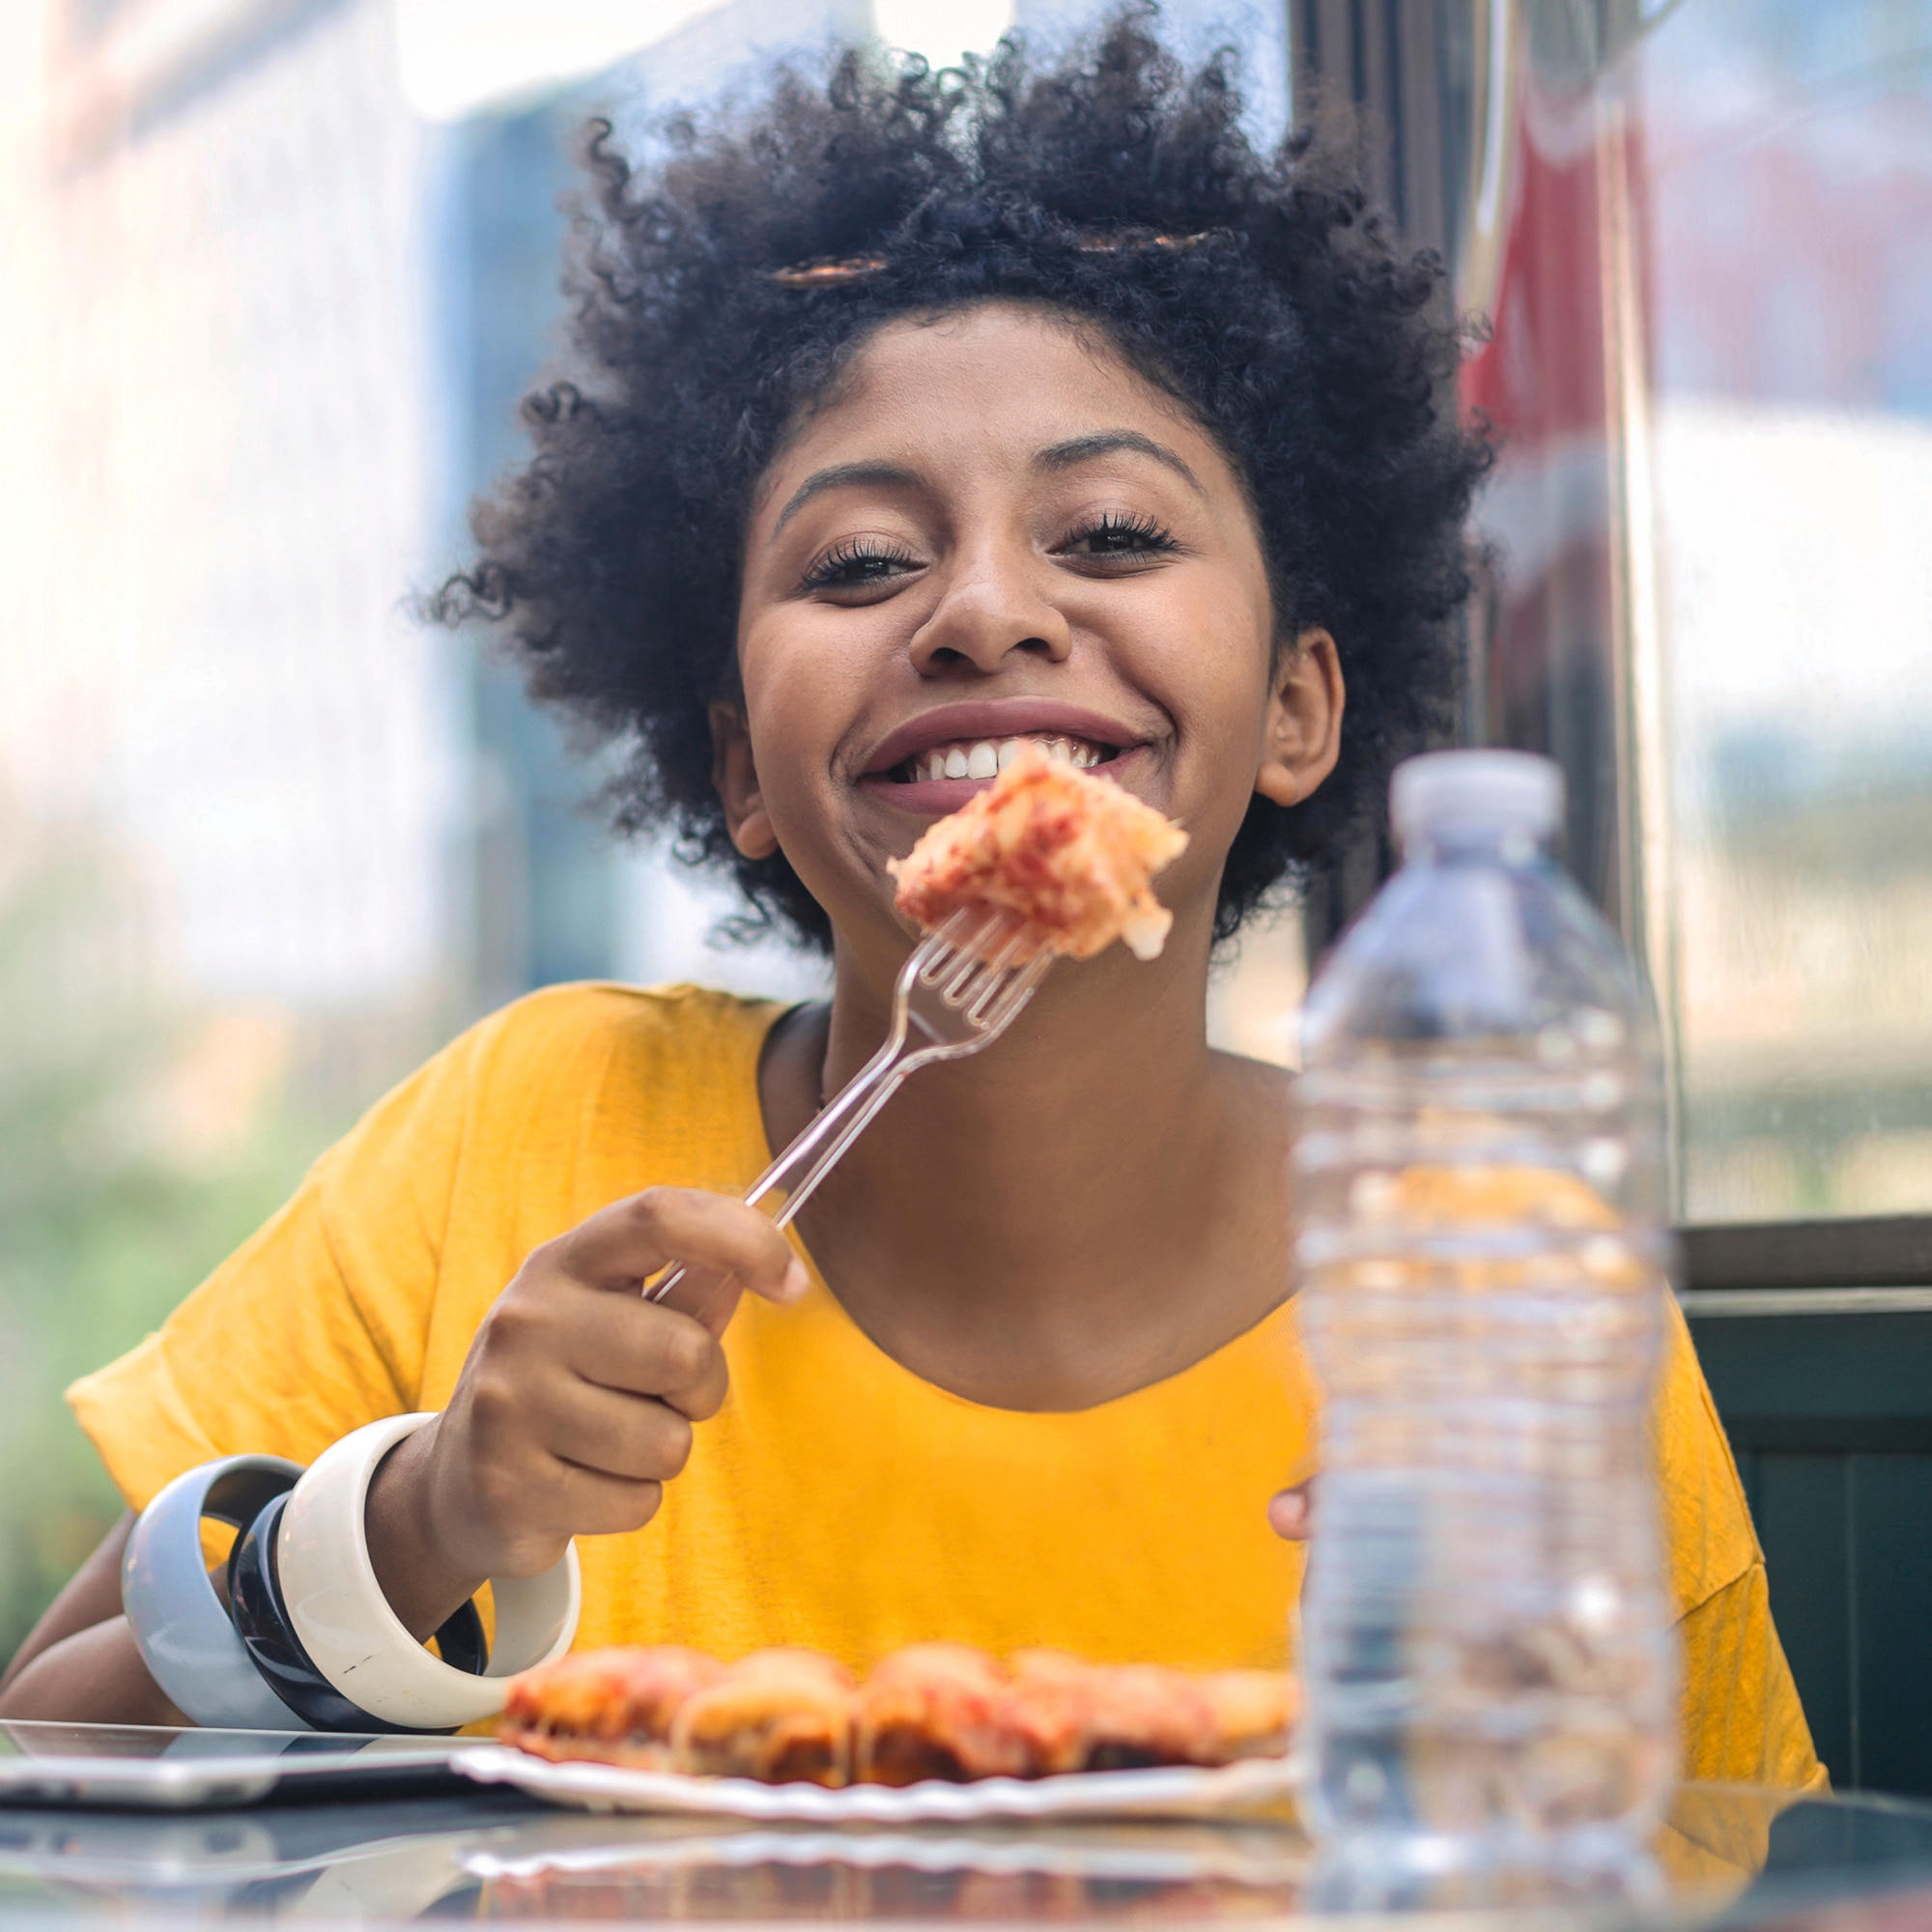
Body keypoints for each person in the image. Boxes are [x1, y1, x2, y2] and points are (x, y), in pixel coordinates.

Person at [0, 15, 1821, 1789]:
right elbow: (39, 1740)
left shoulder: (1488, 1281)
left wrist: (1522, 1734)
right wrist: (416, 1519)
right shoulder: (517, 1140)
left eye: (1110, 535)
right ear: (735, 764)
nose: (982, 612)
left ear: (1294, 709)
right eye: (864, 560)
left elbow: (1738, 1855)